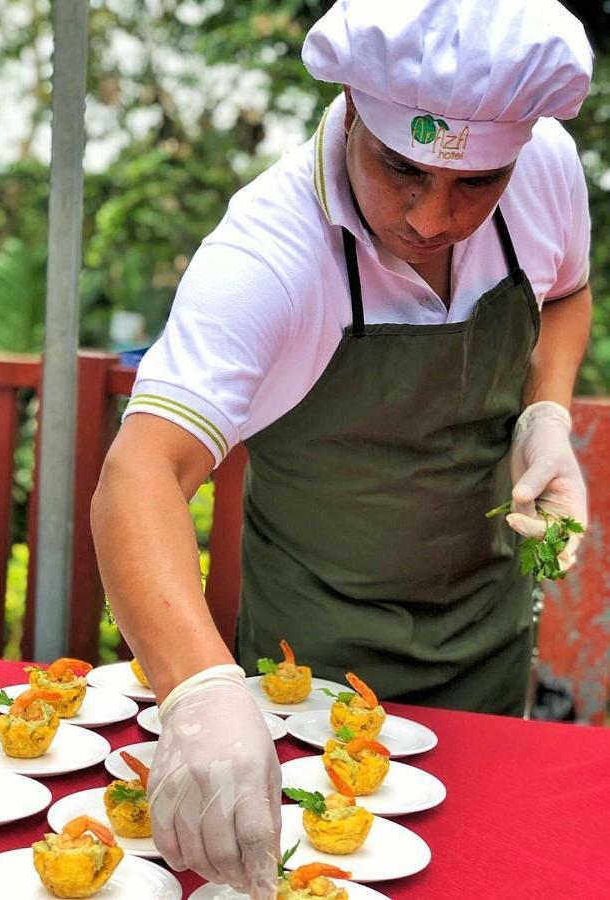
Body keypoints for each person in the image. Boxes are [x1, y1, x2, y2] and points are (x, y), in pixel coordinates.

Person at [90, 0, 593, 895]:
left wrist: (544, 411)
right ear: (353, 112)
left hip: (484, 636)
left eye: (475, 184)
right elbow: (141, 472)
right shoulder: (271, 248)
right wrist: (201, 693)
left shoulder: (544, 167)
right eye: (401, 169)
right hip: (309, 665)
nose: (433, 220)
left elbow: (565, 294)